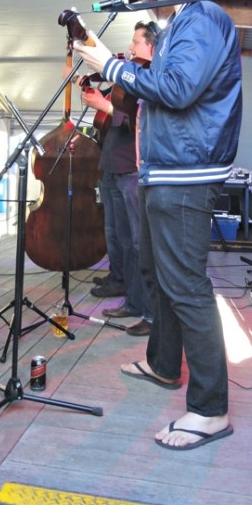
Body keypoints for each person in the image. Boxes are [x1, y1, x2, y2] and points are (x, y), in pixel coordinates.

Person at [74, 0, 242, 451]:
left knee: (186, 287)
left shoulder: (204, 18)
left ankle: (210, 410)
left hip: (185, 175)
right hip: (163, 171)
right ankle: (165, 364)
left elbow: (178, 90)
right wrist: (113, 63)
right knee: (161, 276)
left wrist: (112, 67)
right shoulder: (178, 24)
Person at [85, 21, 158, 337]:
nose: (130, 47)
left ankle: (144, 306)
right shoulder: (130, 76)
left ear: (151, 46)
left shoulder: (151, 78)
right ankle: (131, 296)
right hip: (114, 164)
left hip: (131, 168)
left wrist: (104, 105)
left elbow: (137, 123)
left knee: (138, 241)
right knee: (120, 236)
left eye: (136, 42)